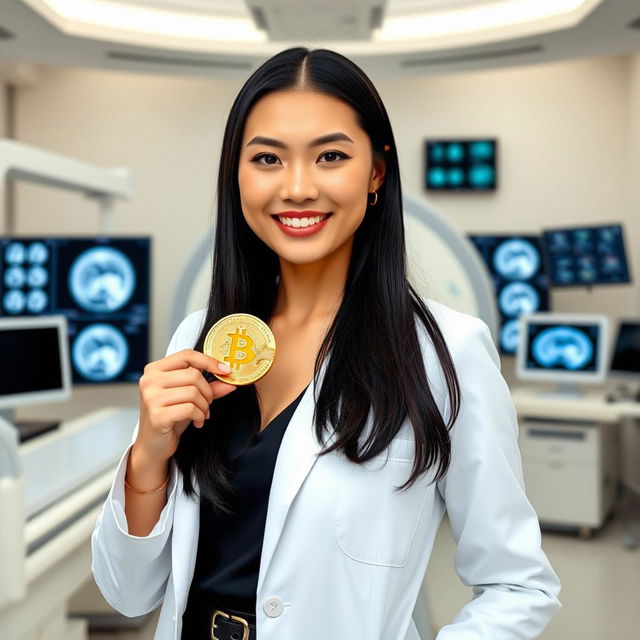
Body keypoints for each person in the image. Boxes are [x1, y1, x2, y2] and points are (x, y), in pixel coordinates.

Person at [91, 46, 561, 640]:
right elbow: (128, 593)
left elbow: (519, 585)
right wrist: (148, 456)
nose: (297, 187)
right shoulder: (199, 340)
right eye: (267, 158)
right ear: (237, 175)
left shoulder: (447, 352)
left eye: (330, 156)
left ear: (376, 173)